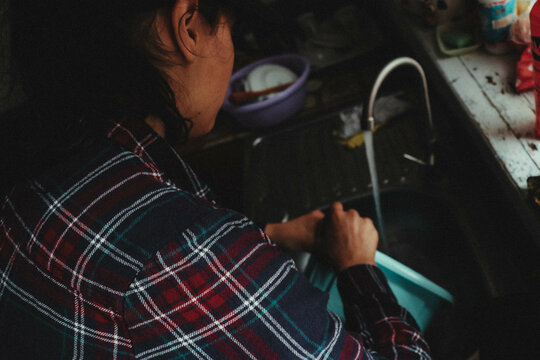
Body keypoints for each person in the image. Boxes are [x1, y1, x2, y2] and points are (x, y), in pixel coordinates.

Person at [0, 0, 431, 358]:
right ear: (186, 26)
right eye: (229, 28)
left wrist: (269, 235)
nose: (231, 52)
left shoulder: (35, 162)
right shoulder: (183, 256)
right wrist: (358, 268)